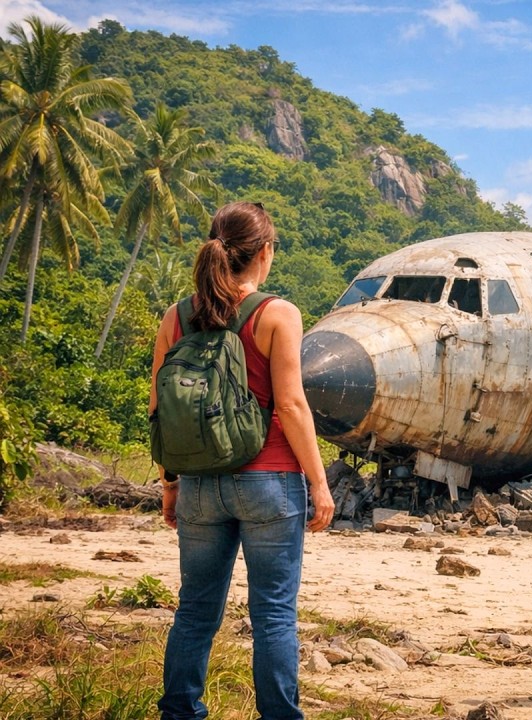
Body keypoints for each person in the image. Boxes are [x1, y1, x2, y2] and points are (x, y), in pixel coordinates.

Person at [153, 201, 336, 720]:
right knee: (273, 615)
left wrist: (171, 484)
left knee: (194, 611)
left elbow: (159, 407)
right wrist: (319, 483)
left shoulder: (177, 317)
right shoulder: (276, 313)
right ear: (265, 252)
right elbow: (291, 405)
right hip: (270, 481)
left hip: (199, 482)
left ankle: (179, 713)